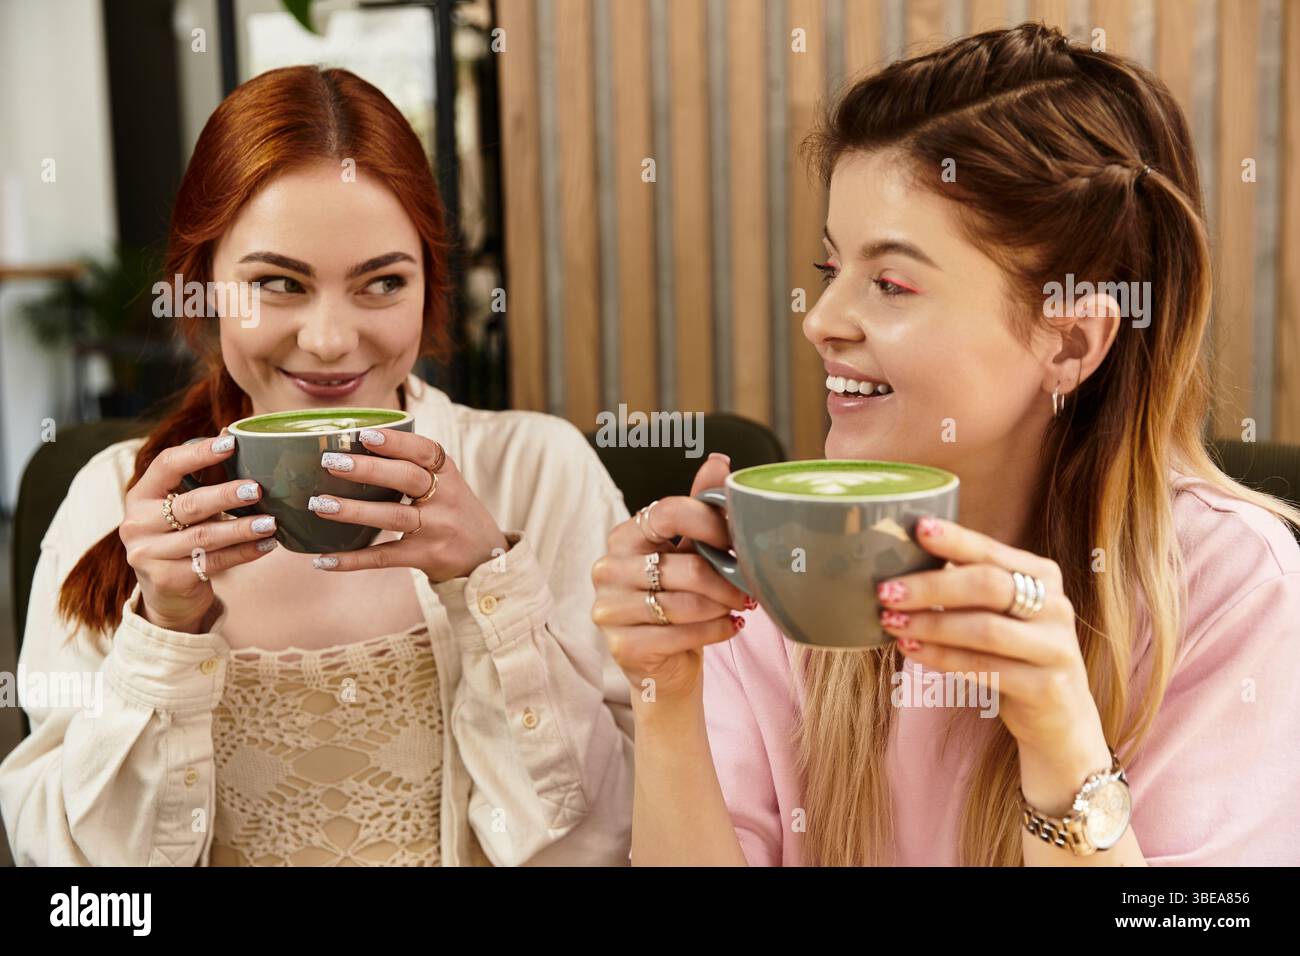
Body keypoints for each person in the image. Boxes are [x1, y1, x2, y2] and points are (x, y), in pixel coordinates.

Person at [593, 23, 1300, 866]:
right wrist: (667, 692)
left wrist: (1062, 751)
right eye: (831, 271)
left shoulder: (1227, 583)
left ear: (1070, 341)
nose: (820, 321)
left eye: (890, 282)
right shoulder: (787, 551)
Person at [0, 66, 633, 866]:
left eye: (382, 283)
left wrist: (490, 593)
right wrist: (164, 631)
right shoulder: (113, 502)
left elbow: (609, 843)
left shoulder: (540, 473)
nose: (332, 341)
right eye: (277, 284)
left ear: (428, 285)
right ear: (201, 291)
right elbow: (78, 886)